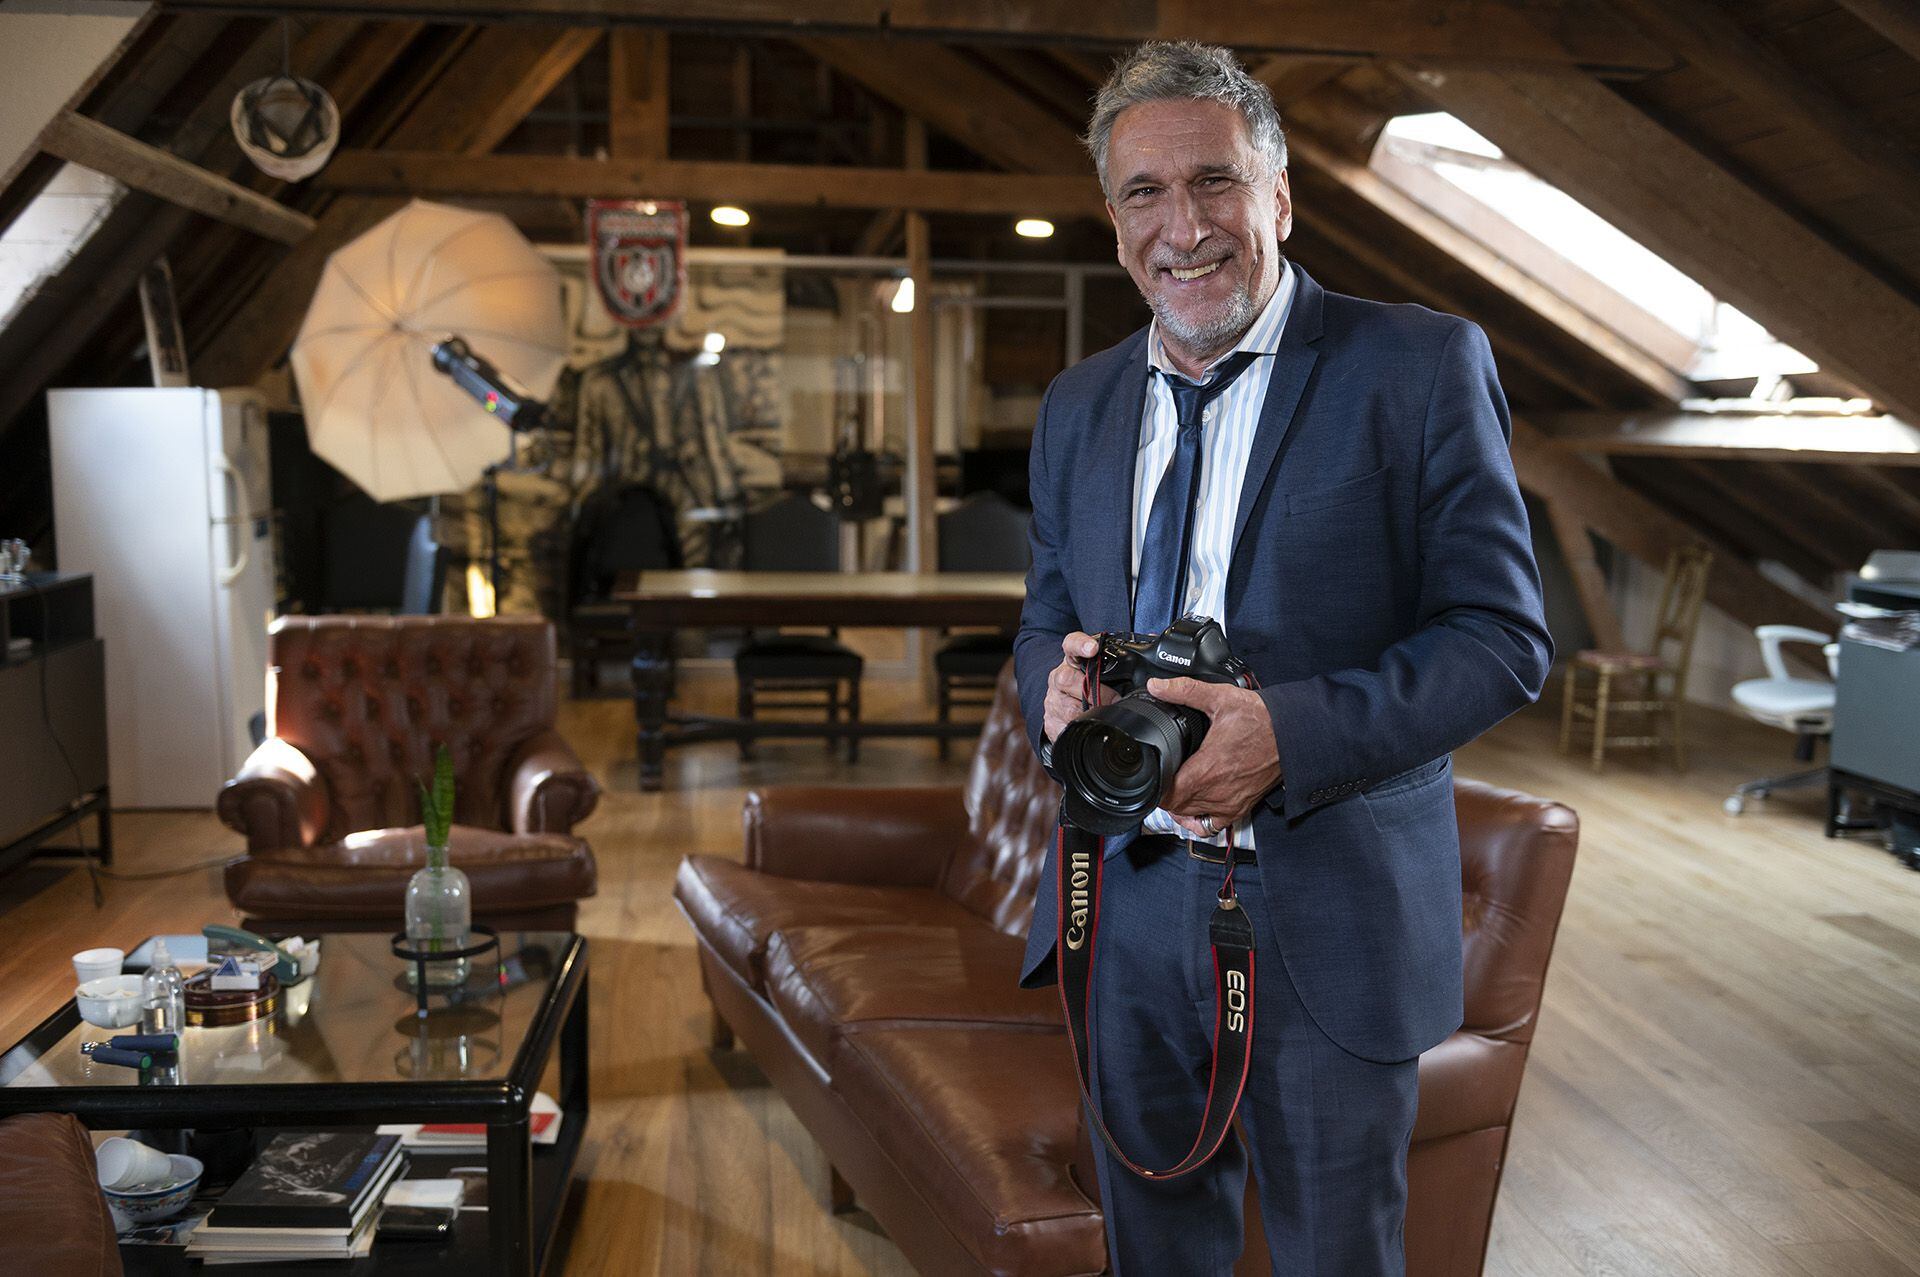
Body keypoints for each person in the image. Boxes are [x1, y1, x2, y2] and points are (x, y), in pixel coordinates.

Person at [1012, 41, 1553, 1276]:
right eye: (1146, 194)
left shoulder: (1416, 366)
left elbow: (1505, 638)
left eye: (1215, 183)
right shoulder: (1076, 404)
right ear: (1113, 222)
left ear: (1280, 198)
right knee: (1154, 1248)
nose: (1183, 226)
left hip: (1324, 910)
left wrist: (1288, 735)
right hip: (1125, 900)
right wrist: (1054, 696)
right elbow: (1043, 616)